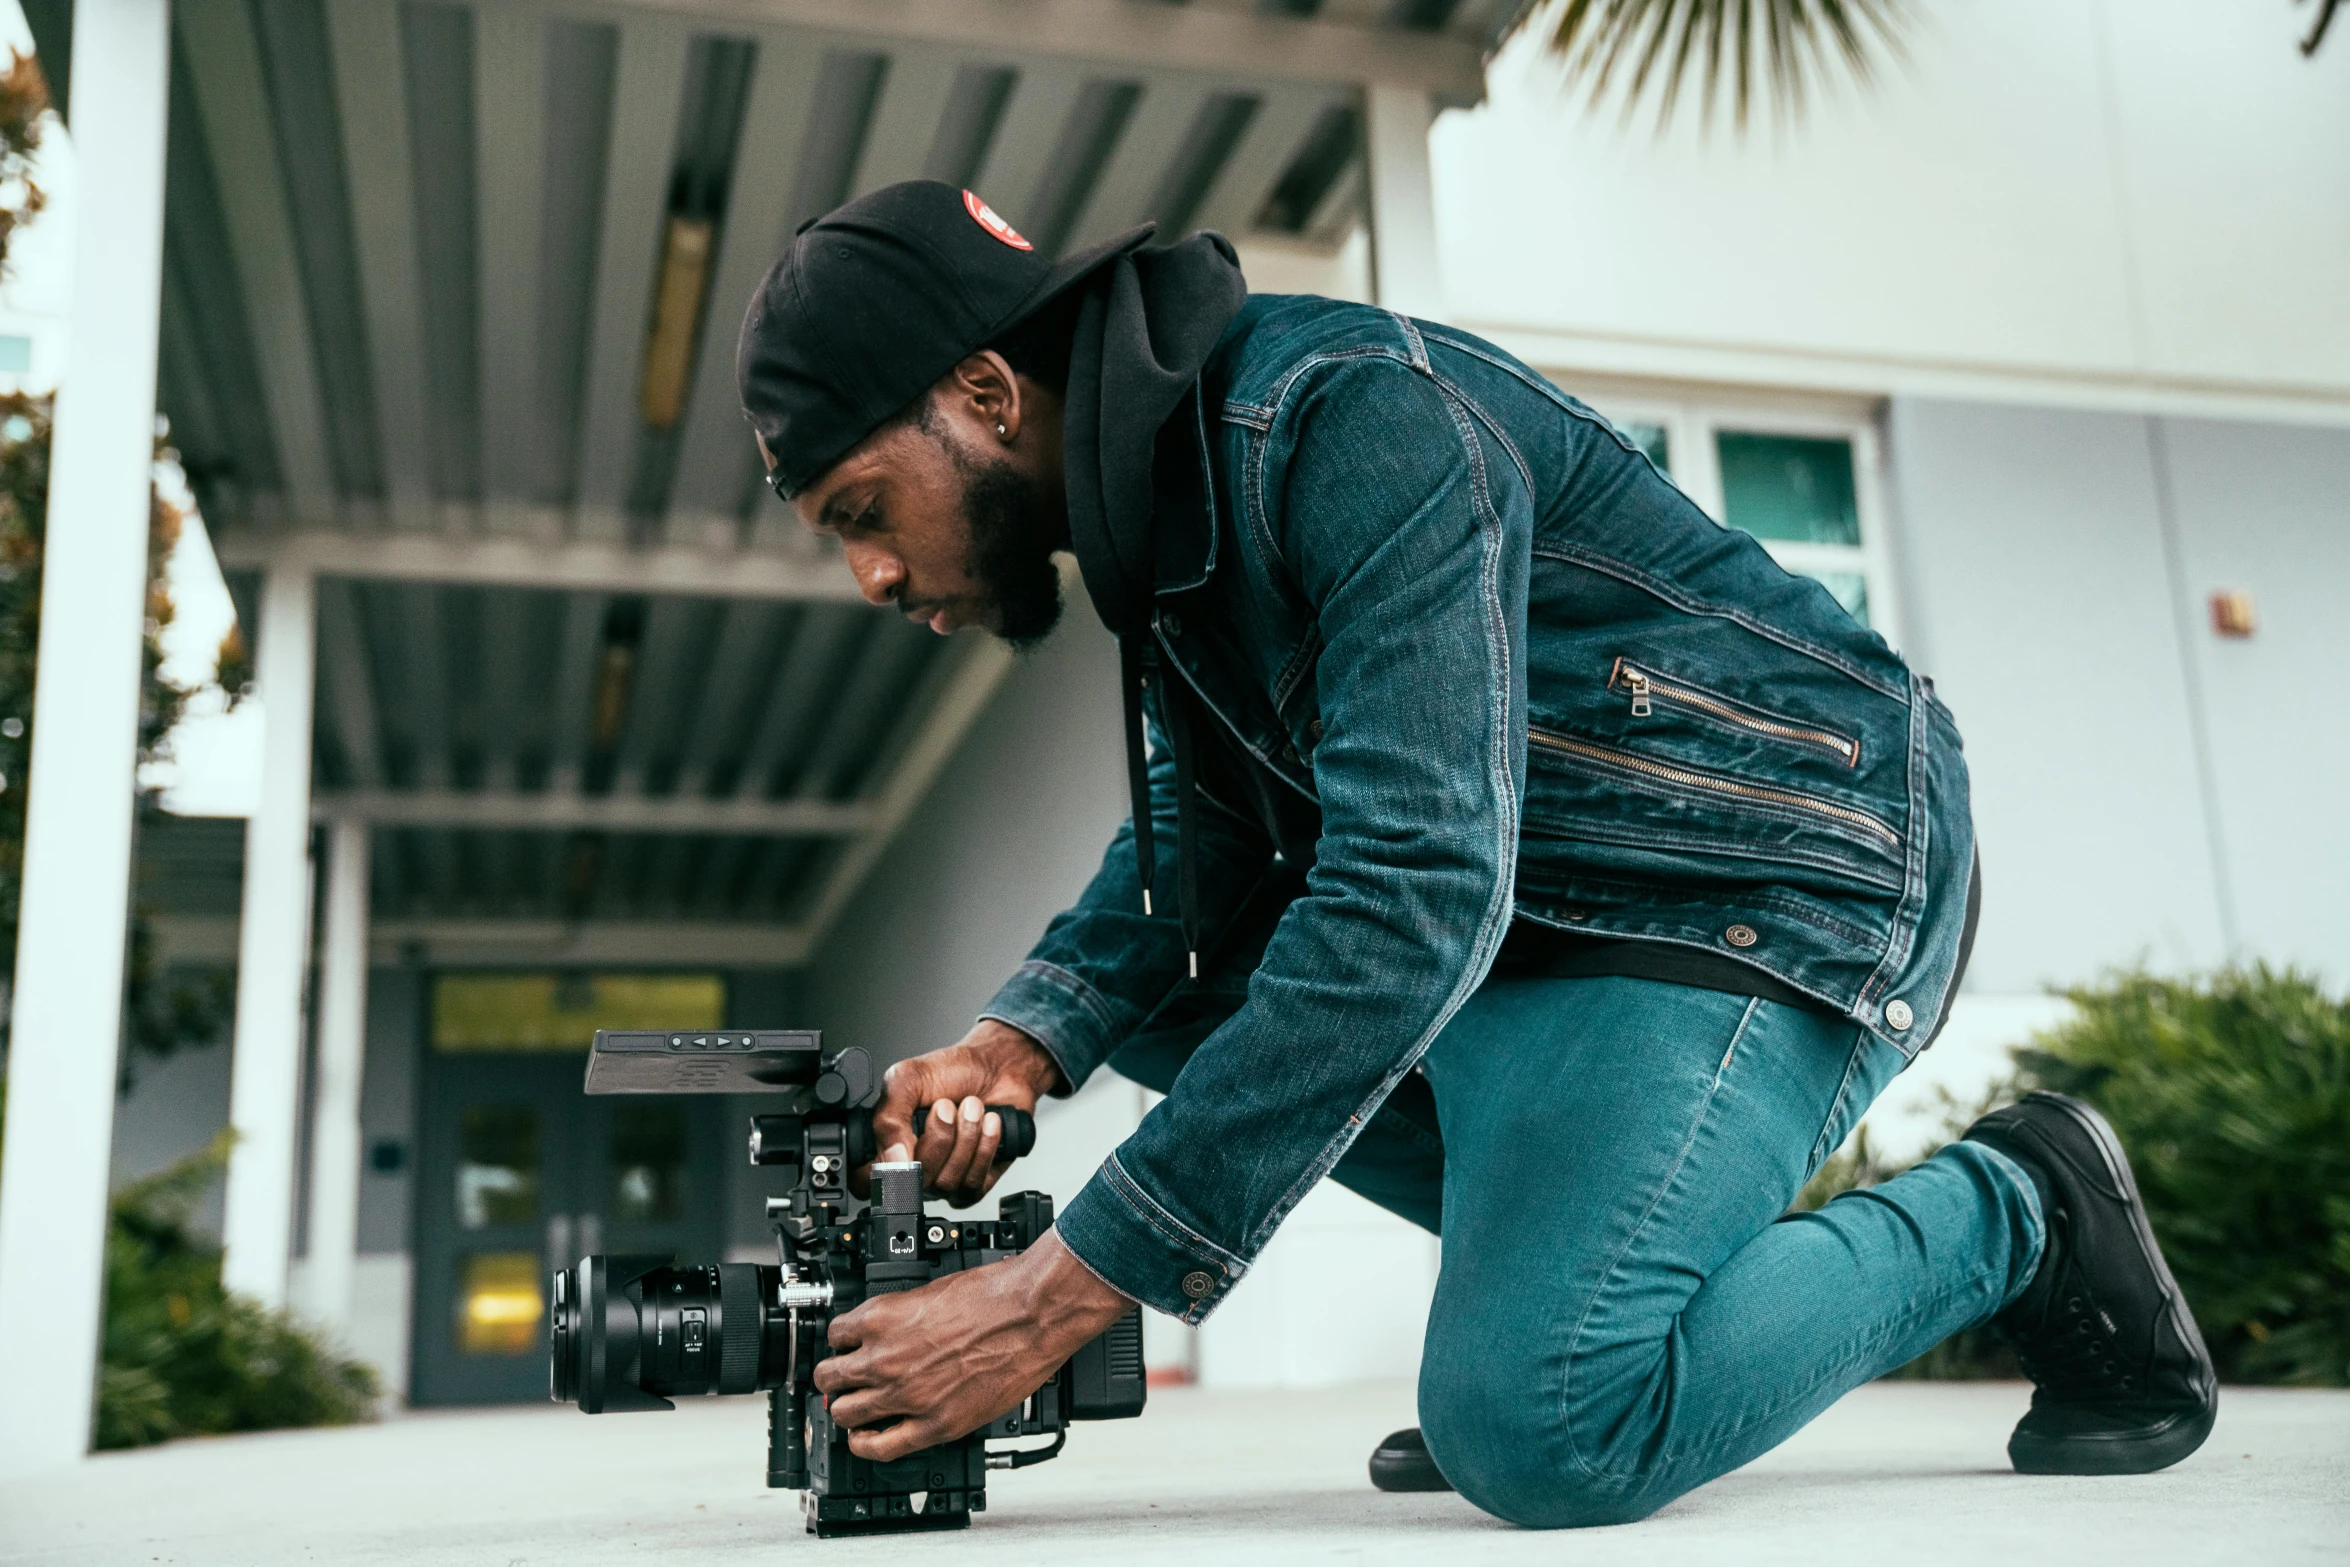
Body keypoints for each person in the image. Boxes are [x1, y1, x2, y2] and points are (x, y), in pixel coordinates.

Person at [731, 181, 2217, 1525]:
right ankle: (1572, 1275)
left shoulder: (1348, 417)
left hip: (1765, 879)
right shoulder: (1167, 537)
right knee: (1176, 992)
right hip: (1560, 921)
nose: (869, 572)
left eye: (861, 510)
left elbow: (1412, 887)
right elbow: (1198, 847)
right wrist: (1018, 1039)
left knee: (1545, 1418)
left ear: (987, 392)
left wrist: (1043, 1302)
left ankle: (2019, 1201)